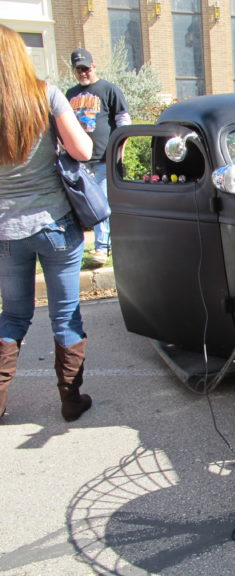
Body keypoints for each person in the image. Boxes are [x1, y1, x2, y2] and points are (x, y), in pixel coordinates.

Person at [0, 25, 94, 421]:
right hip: (55, 224)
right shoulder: (47, 94)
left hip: (6, 230)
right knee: (65, 313)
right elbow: (83, 151)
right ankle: (71, 401)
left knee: (13, 314)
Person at [67, 48, 131, 266]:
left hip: (104, 159)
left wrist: (119, 151)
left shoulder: (108, 90)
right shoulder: (71, 94)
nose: (82, 73)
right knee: (85, 204)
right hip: (79, 161)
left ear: (93, 67)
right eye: (78, 70)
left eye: (85, 68)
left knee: (101, 204)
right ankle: (96, 246)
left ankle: (102, 248)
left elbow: (123, 121)